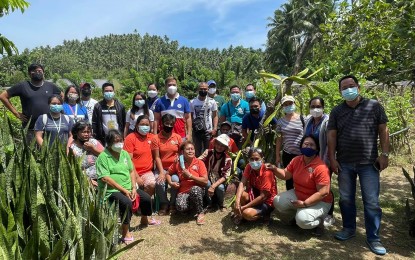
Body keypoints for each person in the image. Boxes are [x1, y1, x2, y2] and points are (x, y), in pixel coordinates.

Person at [328, 75, 389, 255]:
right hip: (345, 162)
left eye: (351, 86)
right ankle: (348, 229)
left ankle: (373, 237)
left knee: (371, 201)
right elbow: (331, 135)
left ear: (358, 87)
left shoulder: (374, 106)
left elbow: (383, 130)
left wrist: (384, 154)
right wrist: (332, 158)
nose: (348, 89)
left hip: (368, 162)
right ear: (340, 91)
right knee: (346, 198)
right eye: (344, 88)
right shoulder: (337, 111)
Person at [96, 130, 153, 243]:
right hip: (111, 190)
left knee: (146, 198)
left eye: (121, 141)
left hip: (128, 187)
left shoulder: (124, 154)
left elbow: (131, 171)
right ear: (109, 143)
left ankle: (144, 219)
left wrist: (133, 187)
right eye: (116, 142)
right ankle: (125, 231)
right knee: (126, 203)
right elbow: (105, 178)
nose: (119, 144)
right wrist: (124, 191)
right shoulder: (103, 157)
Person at [271, 135, 333, 236]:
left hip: (320, 201)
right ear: (301, 146)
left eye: (312, 145)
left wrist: (305, 204)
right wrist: (274, 169)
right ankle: (298, 217)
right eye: (306, 144)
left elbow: (323, 192)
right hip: (299, 194)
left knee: (303, 220)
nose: (308, 147)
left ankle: (318, 223)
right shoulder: (296, 160)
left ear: (317, 149)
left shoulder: (321, 167)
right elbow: (286, 175)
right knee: (277, 201)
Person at [0, 63, 62, 142]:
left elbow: (62, 96)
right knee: (31, 153)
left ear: (43, 72)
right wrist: (16, 113)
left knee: (50, 152)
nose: (37, 72)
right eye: (34, 71)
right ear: (29, 74)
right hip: (31, 128)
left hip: (49, 126)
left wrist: (57, 110)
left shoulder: (50, 86)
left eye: (39, 70)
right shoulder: (23, 86)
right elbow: (3, 96)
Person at [304, 97, 335, 227]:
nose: (315, 109)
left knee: (325, 187)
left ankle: (329, 214)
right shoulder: (308, 121)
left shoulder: (327, 122)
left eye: (318, 106)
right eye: (312, 106)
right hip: (310, 159)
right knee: (313, 185)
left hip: (323, 160)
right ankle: (314, 209)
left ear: (323, 107)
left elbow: (330, 143)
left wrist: (327, 161)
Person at [167, 141, 208, 225]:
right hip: (183, 191)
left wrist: (191, 176)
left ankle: (200, 213)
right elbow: (168, 173)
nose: (190, 151)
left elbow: (205, 181)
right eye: (188, 149)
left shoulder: (199, 163)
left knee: (195, 190)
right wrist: (171, 183)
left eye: (192, 149)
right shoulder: (178, 163)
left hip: (197, 190)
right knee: (181, 207)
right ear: (183, 151)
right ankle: (192, 207)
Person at [232, 148, 277, 225]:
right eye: (251, 159)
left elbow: (263, 196)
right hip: (255, 194)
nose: (254, 161)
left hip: (267, 200)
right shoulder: (249, 167)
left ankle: (265, 214)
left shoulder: (267, 172)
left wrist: (244, 207)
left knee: (247, 213)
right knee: (242, 195)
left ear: (262, 159)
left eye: (257, 159)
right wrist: (237, 201)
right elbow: (242, 183)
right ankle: (243, 212)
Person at [151, 114, 182, 215]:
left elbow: (181, 153)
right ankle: (164, 203)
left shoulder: (177, 137)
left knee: (175, 180)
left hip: (174, 168)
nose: (169, 126)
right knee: (159, 181)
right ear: (162, 124)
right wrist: (161, 172)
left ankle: (173, 203)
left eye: (171, 124)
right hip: (162, 167)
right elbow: (157, 157)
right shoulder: (156, 138)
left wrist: (179, 157)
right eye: (166, 123)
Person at [124, 115, 158, 202]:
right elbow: (128, 160)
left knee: (151, 184)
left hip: (147, 172)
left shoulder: (152, 137)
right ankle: (136, 202)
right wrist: (137, 177)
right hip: (132, 172)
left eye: (147, 124)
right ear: (136, 125)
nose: (145, 126)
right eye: (142, 124)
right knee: (133, 186)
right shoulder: (130, 138)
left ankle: (143, 204)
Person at [275, 95, 304, 191]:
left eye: (290, 103)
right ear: (283, 107)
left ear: (294, 104)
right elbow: (279, 139)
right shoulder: (280, 121)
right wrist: (277, 156)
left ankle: (302, 195)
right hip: (287, 154)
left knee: (301, 177)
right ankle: (290, 198)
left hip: (301, 154)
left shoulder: (303, 119)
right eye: (285, 104)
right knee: (289, 178)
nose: (288, 106)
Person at [199, 134, 232, 211]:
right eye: (218, 144)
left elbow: (225, 176)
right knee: (207, 183)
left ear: (225, 148)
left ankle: (221, 204)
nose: (219, 147)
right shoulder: (207, 152)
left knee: (220, 188)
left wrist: (213, 186)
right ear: (215, 144)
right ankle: (209, 203)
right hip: (208, 176)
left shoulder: (228, 159)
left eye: (222, 145)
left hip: (219, 180)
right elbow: (198, 161)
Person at [70, 120, 104, 187]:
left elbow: (107, 156)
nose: (86, 134)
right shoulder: (73, 148)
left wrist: (93, 149)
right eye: (83, 132)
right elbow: (73, 168)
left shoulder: (94, 142)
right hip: (85, 181)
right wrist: (88, 180)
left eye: (88, 132)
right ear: (76, 133)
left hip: (102, 178)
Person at [190, 82, 218, 156]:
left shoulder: (212, 101)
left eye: (205, 89)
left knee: (208, 151)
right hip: (197, 130)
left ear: (208, 89)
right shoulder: (192, 102)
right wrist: (190, 130)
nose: (203, 90)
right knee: (197, 151)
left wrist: (215, 129)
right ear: (198, 90)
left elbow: (215, 116)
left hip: (208, 130)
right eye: (201, 89)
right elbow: (190, 117)